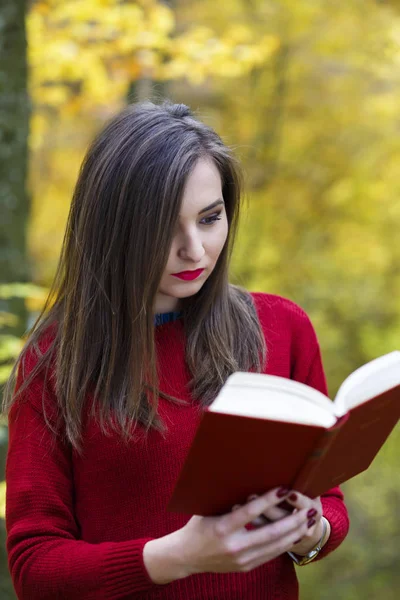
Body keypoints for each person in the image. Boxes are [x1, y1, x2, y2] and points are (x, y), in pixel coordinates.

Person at [2, 100, 349, 600]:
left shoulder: (282, 328)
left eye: (210, 218)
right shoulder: (57, 359)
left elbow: (329, 505)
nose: (195, 249)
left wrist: (309, 531)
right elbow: (35, 569)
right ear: (115, 229)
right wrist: (178, 556)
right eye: (165, 227)